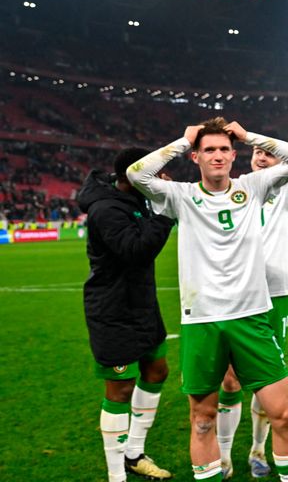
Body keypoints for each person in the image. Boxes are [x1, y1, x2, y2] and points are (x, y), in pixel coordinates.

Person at [128, 118, 288, 482]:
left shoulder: (253, 187)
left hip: (253, 318)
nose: (218, 156)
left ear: (233, 155)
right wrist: (183, 140)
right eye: (209, 150)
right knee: (201, 421)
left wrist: (248, 136)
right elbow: (137, 174)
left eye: (225, 149)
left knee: (284, 416)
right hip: (202, 322)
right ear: (196, 156)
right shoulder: (181, 196)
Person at [216, 146, 288, 478]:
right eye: (257, 152)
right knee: (229, 380)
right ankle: (224, 454)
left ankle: (258, 449)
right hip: (236, 295)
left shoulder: (287, 190)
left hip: (276, 293)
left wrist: (254, 137)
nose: (261, 156)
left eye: (268, 153)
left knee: (267, 378)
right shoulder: (231, 190)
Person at [80, 147, 177, 482]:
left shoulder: (137, 198)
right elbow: (135, 251)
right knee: (120, 388)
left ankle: (135, 453)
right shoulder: (105, 209)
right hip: (112, 310)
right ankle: (115, 475)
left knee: (157, 370)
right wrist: (165, 215)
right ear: (131, 176)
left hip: (143, 306)